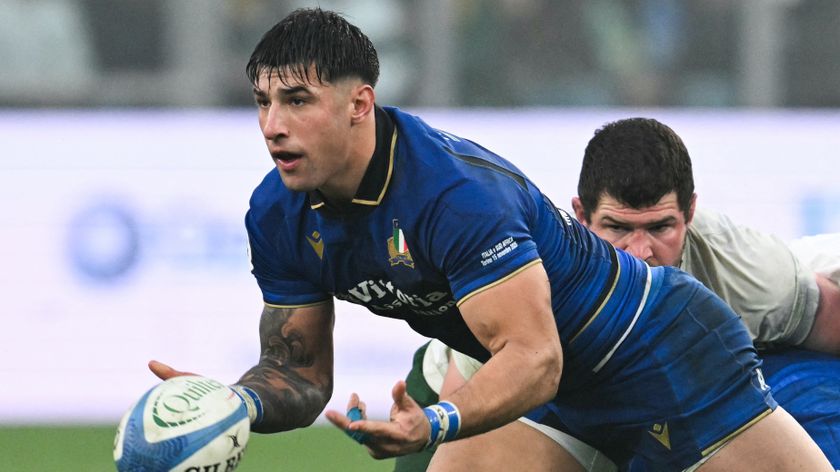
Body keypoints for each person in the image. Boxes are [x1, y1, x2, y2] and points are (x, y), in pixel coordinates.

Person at [148, 9, 832, 471]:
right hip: (551, 390)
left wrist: (436, 422)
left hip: (661, 348)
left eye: (297, 100)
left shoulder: (454, 194)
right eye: (263, 102)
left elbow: (536, 358)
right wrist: (236, 404)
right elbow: (299, 374)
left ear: (359, 104)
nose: (272, 125)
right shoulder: (276, 214)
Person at [396, 117, 840, 471]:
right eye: (617, 227)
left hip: (614, 400)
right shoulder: (537, 270)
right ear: (582, 215)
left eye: (661, 227)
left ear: (690, 212)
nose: (640, 251)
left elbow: (830, 320)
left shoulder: (743, 266)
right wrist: (433, 424)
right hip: (463, 391)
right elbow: (474, 393)